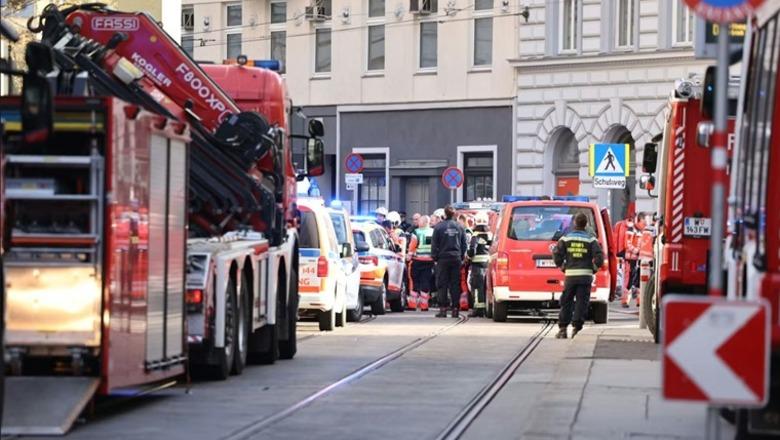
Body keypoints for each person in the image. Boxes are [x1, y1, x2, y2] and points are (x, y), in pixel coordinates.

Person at [553, 212, 604, 339]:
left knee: (567, 301)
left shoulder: (566, 238)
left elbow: (556, 253)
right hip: (585, 276)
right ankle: (576, 329)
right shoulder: (591, 239)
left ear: (574, 223)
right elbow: (599, 257)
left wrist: (562, 266)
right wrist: (593, 268)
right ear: (586, 225)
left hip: (570, 276)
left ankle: (563, 329)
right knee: (582, 302)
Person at [432, 205, 468, 318]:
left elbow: (434, 244)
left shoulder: (438, 227)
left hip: (443, 259)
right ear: (454, 214)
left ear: (445, 214)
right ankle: (455, 309)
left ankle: (443, 309)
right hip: (456, 258)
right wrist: (461, 257)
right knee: (455, 284)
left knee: (442, 284)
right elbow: (464, 244)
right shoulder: (460, 227)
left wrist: (435, 258)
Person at [407, 215, 435, 311]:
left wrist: (409, 256)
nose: (418, 222)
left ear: (424, 222)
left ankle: (412, 305)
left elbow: (412, 246)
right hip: (429, 261)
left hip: (417, 260)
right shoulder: (432, 232)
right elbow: (432, 246)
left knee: (415, 282)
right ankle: (424, 306)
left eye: (420, 221)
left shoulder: (416, 232)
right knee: (425, 282)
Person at [467, 212, 491, 317]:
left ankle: (478, 309)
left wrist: (468, 256)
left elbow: (472, 250)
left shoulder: (475, 235)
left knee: (477, 287)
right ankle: (485, 308)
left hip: (477, 265)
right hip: (488, 264)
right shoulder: (490, 234)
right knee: (485, 287)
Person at [622, 212, 646, 308]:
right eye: (643, 222)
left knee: (638, 280)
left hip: (638, 259)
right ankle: (625, 301)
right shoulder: (631, 230)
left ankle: (639, 301)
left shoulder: (642, 231)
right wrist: (637, 251)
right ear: (639, 220)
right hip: (630, 259)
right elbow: (627, 244)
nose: (645, 224)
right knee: (629, 280)